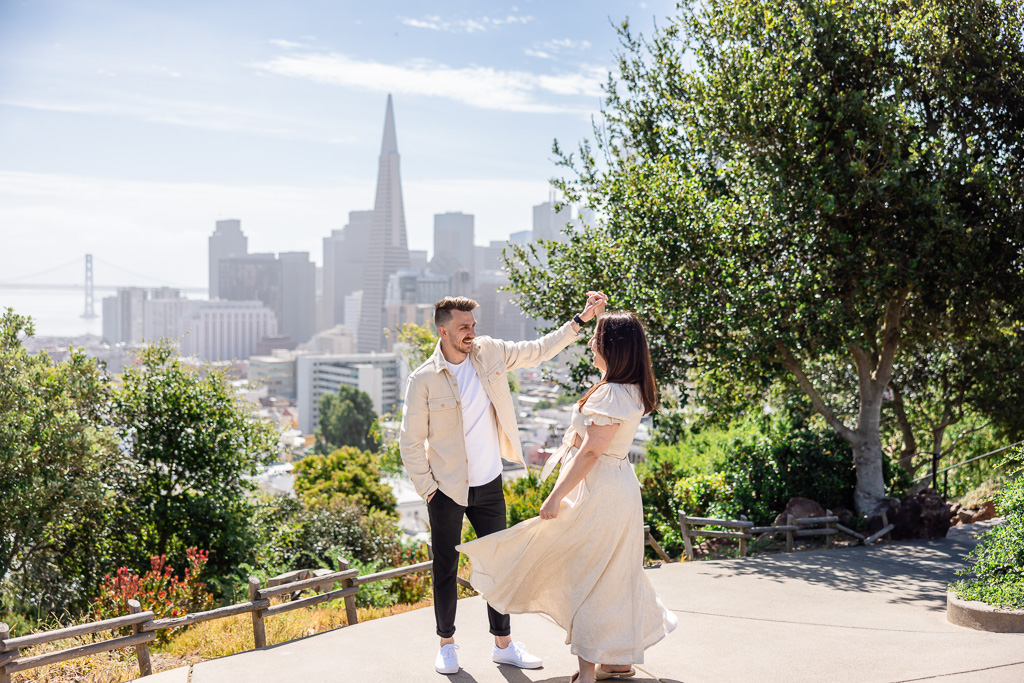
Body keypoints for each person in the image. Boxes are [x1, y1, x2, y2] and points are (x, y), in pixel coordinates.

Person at [457, 311, 678, 683]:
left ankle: (588, 673)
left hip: (598, 490)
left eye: (596, 337)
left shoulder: (611, 392)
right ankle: (617, 660)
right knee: (614, 575)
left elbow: (592, 453)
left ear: (612, 346)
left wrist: (555, 497)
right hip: (619, 486)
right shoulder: (631, 387)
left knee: (586, 575)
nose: (591, 343)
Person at [400, 292, 609, 675]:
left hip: (489, 483)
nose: (472, 333)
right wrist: (428, 489)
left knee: (501, 565)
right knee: (445, 568)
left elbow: (539, 349)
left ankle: (504, 644)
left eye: (474, 325)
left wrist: (580, 319)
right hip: (446, 488)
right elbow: (409, 442)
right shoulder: (424, 379)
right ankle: (446, 645)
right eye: (464, 327)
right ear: (443, 330)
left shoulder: (490, 352)